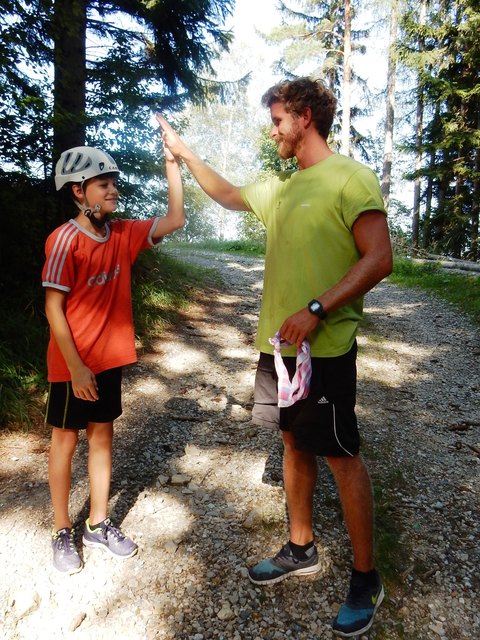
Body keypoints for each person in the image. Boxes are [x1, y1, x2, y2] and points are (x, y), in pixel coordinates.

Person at [156, 76, 393, 638]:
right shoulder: (282, 187)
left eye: (279, 119)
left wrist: (317, 306)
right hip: (279, 350)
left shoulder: (350, 178)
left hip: (326, 348)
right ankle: (300, 546)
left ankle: (366, 577)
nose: (274, 130)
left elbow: (380, 258)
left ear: (305, 115)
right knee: (291, 441)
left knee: (340, 454)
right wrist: (186, 155)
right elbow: (230, 195)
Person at [43, 140, 184, 574]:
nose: (112, 191)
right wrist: (77, 366)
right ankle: (61, 528)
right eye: (103, 184)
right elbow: (53, 308)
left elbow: (175, 219)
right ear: (78, 192)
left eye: (114, 184)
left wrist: (171, 163)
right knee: (65, 443)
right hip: (73, 364)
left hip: (108, 361)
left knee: (102, 437)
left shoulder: (122, 234)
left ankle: (98, 523)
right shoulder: (65, 240)